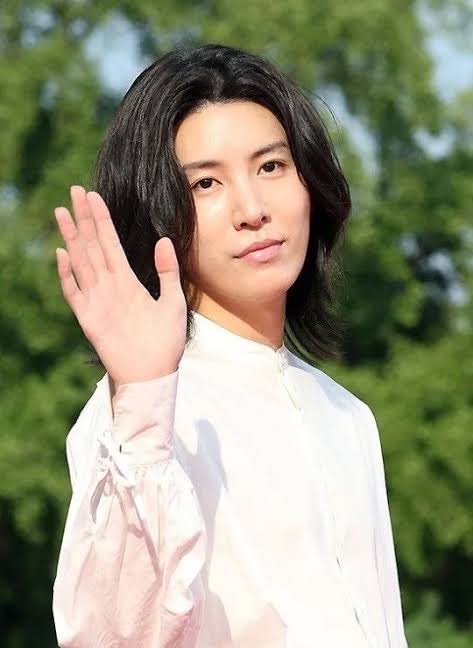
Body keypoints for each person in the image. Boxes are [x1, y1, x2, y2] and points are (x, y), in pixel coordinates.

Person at [51, 43, 408, 647]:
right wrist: (143, 403)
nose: (252, 210)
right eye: (206, 183)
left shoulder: (348, 417)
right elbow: (114, 634)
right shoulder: (140, 417)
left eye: (271, 167)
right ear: (159, 212)